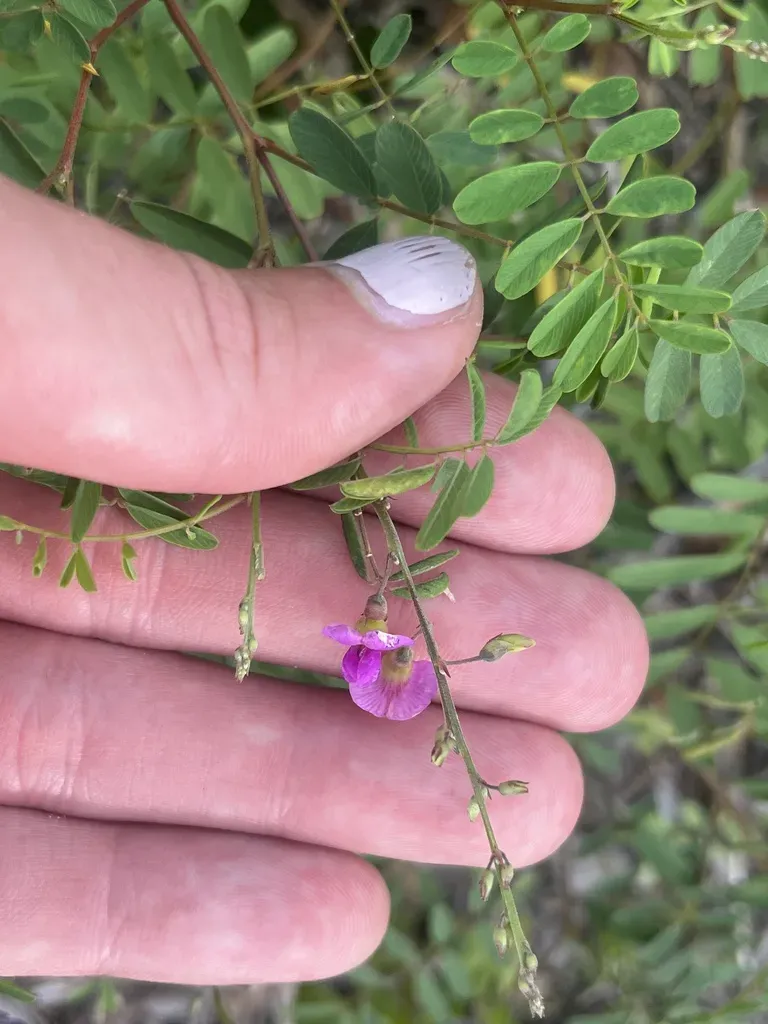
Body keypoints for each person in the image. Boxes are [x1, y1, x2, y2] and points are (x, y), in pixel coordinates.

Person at [0, 174, 648, 984]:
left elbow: (383, 672)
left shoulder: (391, 633)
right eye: (395, 656)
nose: (393, 660)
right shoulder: (388, 607)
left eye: (392, 658)